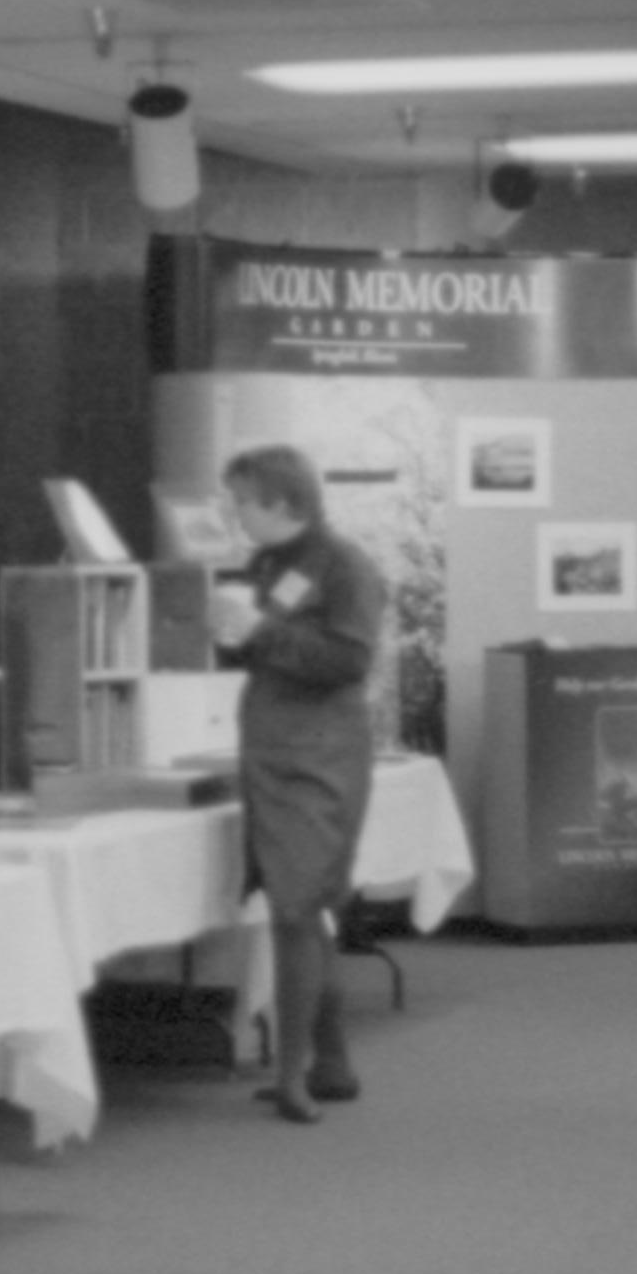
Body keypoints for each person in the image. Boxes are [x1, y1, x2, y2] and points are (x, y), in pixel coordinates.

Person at [210, 444, 388, 1124]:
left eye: (242, 503)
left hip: (319, 756)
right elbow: (269, 648)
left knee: (295, 908)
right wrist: (235, 634)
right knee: (303, 904)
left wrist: (261, 630)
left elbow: (349, 658)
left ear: (283, 502)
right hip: (275, 752)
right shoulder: (268, 565)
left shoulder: (345, 566)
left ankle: (292, 1076)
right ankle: (331, 1063)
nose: (235, 517)